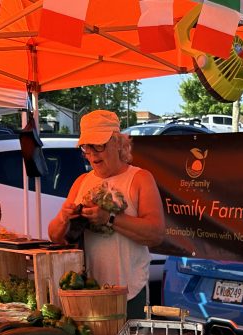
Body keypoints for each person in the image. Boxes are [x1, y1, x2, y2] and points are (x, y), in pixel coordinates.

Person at [48, 110, 164, 318]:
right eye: (86, 147)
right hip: (85, 291)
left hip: (128, 292)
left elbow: (155, 234)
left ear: (118, 143)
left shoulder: (139, 179)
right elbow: (55, 236)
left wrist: (109, 218)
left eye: (98, 145)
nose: (92, 154)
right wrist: (63, 218)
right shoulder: (81, 182)